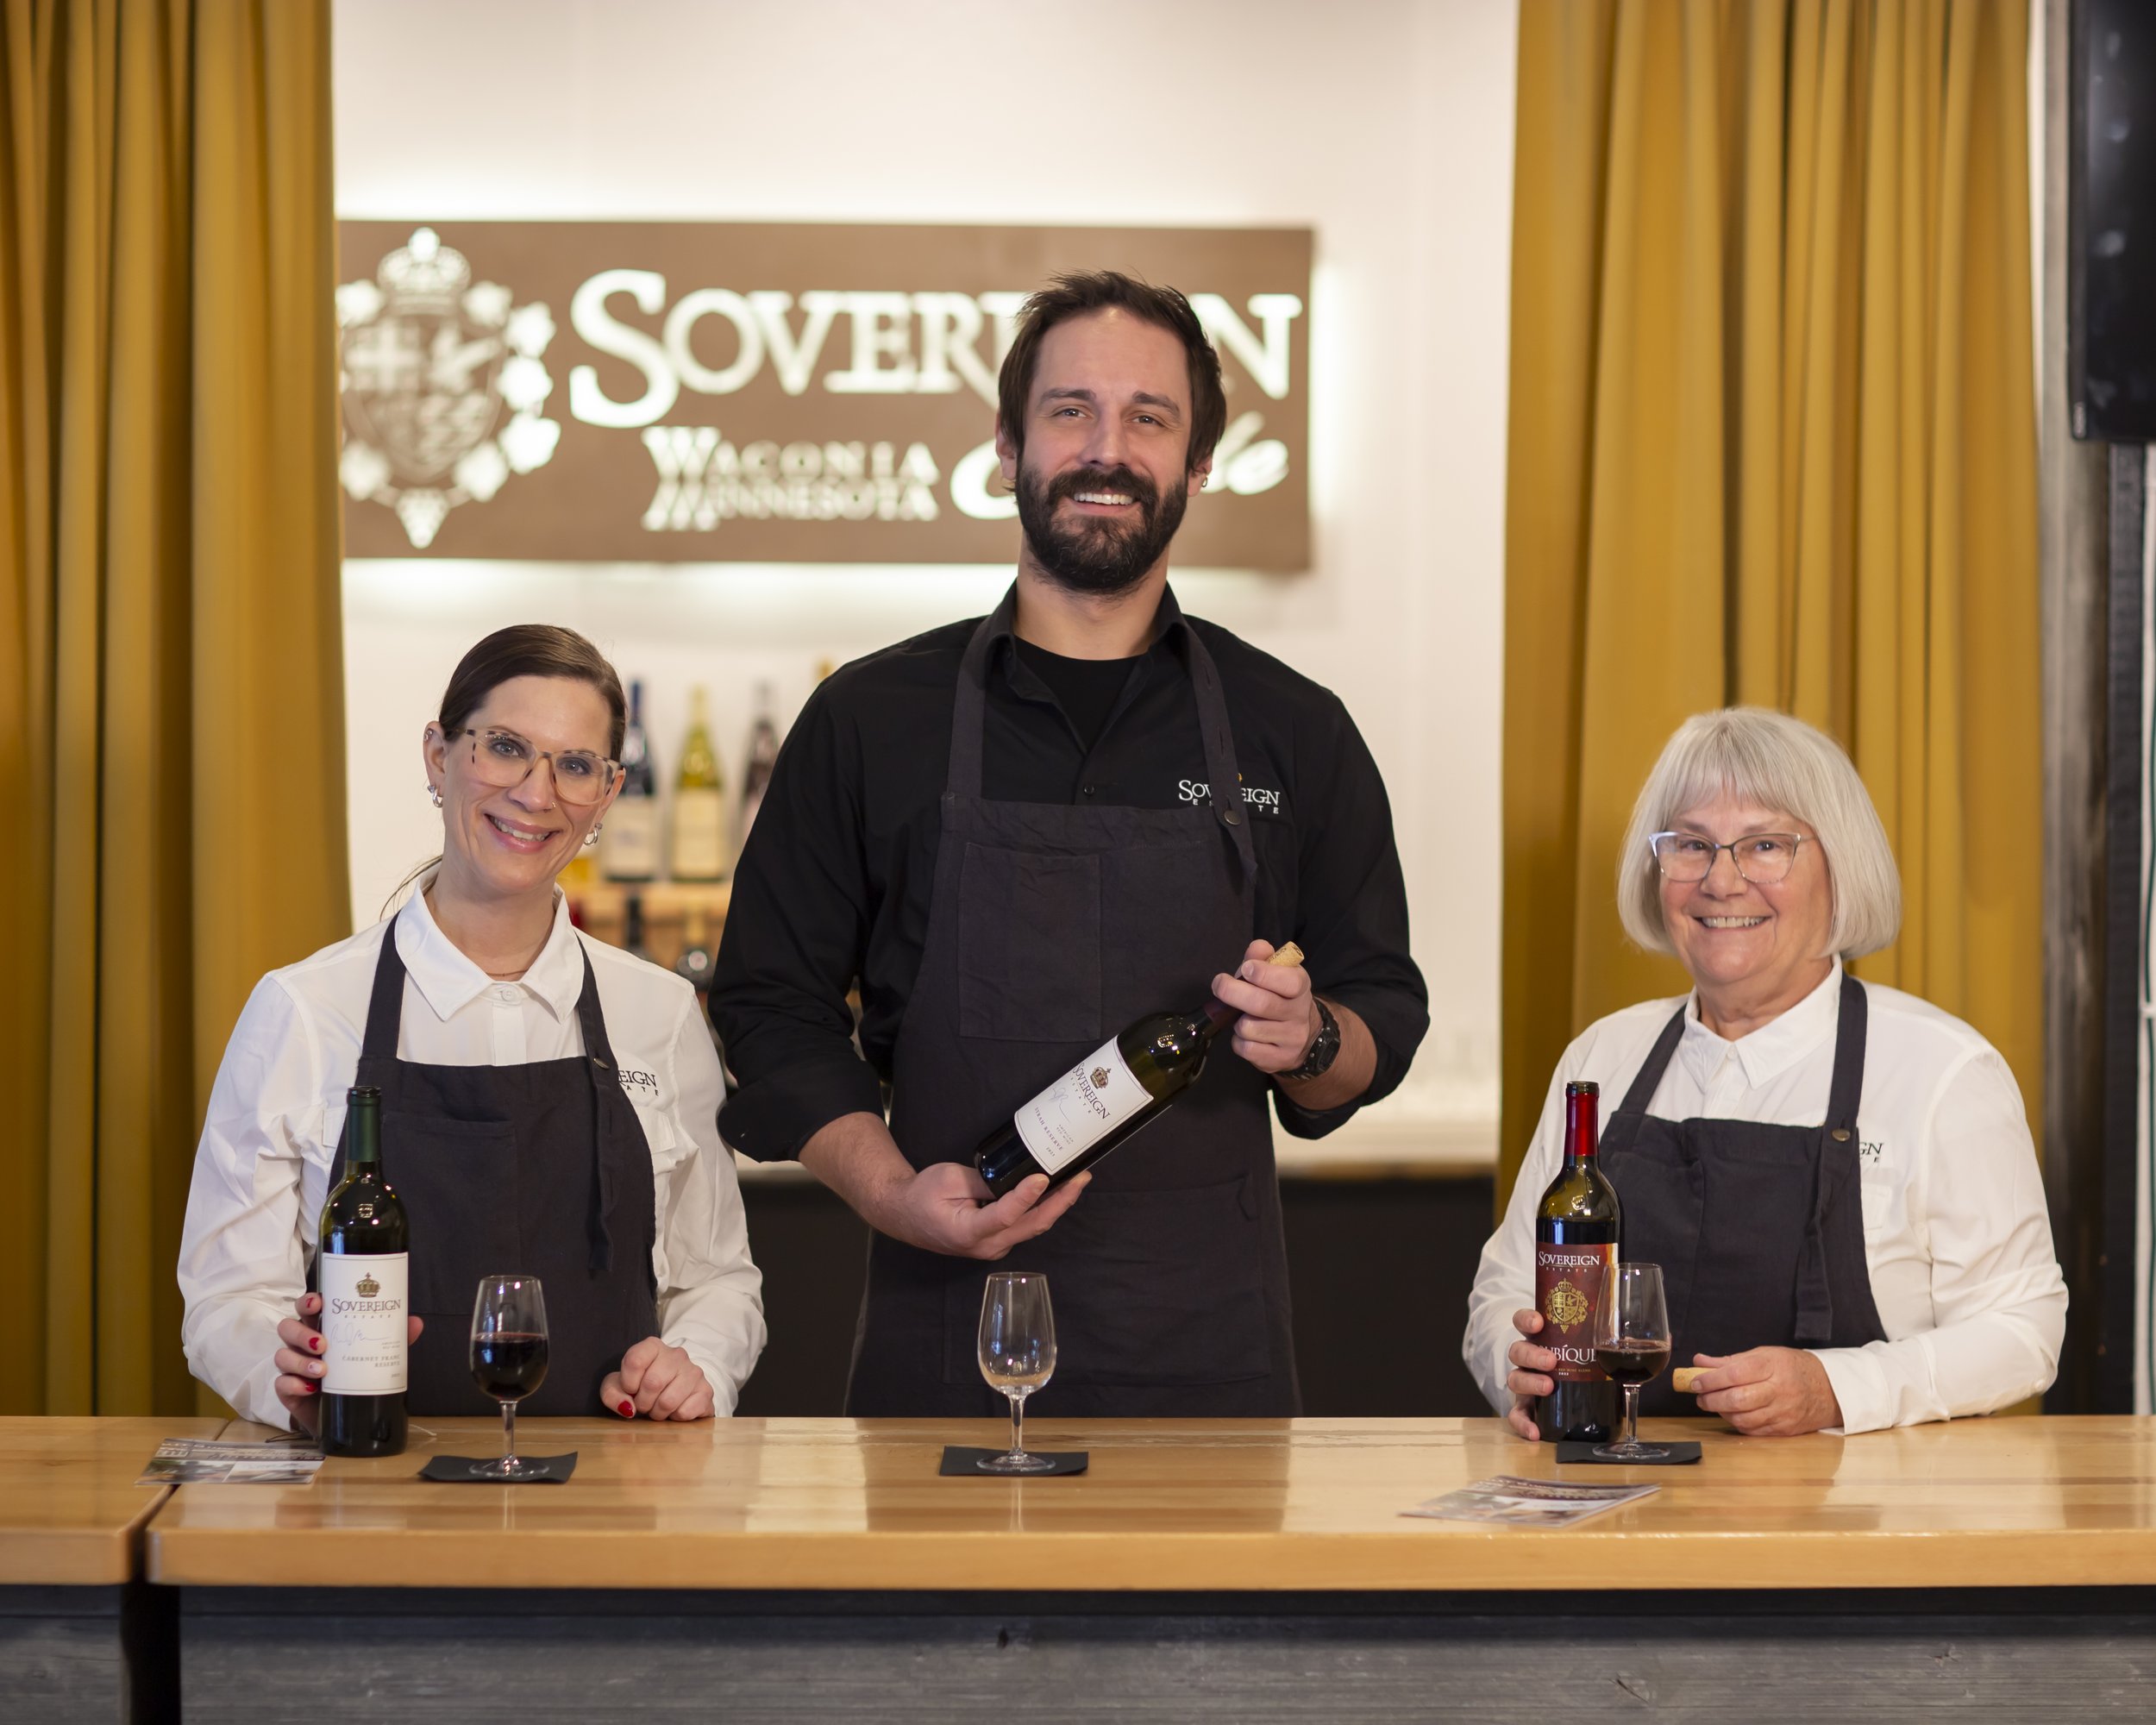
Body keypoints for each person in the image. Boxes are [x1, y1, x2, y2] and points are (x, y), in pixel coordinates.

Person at [711, 271, 1428, 1417]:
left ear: (1198, 465)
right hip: (943, 1328)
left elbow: (1378, 1015)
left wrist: (1308, 1037)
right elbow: (768, 1006)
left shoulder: (1294, 728)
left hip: (1209, 1355)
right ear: (1005, 444)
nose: (1108, 449)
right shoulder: (871, 720)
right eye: (1070, 410)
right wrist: (896, 1195)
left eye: (1150, 418)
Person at [180, 625, 765, 1428]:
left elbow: (717, 1277)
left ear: (607, 792)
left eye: (575, 765)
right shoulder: (305, 1010)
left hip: (613, 1503)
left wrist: (694, 1364)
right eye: (504, 747)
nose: (536, 792)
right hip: (366, 1495)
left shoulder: (659, 1014)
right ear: (438, 756)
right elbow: (227, 1295)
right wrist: (282, 1374)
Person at [1465, 707, 2065, 1438]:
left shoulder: (1941, 1072)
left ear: (1840, 869)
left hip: (1856, 1521)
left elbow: (2023, 1328)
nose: (1723, 881)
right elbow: (1505, 1283)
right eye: (1692, 845)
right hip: (1616, 1511)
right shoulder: (1602, 1059)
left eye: (1765, 846)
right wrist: (1514, 1359)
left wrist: (1838, 1388)